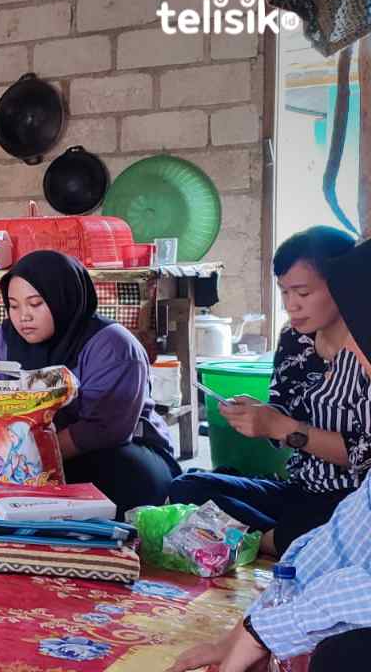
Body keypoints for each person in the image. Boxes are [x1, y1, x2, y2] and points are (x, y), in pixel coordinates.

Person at [169, 237, 371, 672]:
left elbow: (360, 460)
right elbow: (340, 541)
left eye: (304, 292)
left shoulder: (357, 354)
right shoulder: (297, 343)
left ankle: (262, 538)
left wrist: (268, 632)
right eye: (286, 293)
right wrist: (259, 420)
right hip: (308, 491)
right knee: (189, 486)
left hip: (337, 493)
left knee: (343, 653)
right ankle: (268, 537)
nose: (293, 306)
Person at [0, 250, 180, 516]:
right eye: (13, 305)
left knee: (124, 479)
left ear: (64, 299)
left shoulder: (113, 345)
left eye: (35, 304)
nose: (24, 316)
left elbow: (103, 430)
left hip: (99, 449)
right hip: (6, 448)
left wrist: (26, 461)